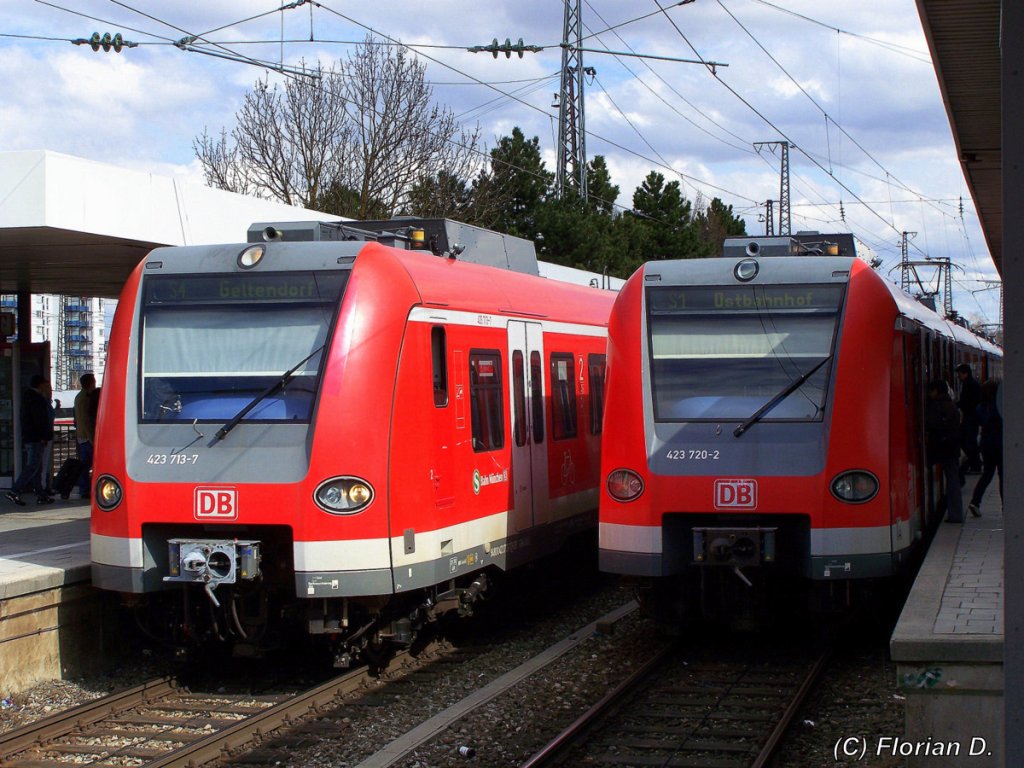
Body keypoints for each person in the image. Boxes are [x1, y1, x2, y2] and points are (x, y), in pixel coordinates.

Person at [5, 375, 56, 506]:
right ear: (40, 385)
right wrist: (44, 436)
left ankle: (41, 494)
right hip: (36, 438)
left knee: (36, 467)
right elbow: (39, 420)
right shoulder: (37, 399)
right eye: (45, 384)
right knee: (33, 466)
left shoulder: (27, 398)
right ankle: (15, 491)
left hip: (29, 437)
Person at [926, 379, 963, 523]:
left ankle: (955, 515)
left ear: (935, 391)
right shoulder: (952, 405)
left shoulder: (936, 406)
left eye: (930, 391)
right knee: (953, 478)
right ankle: (956, 513)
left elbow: (931, 425)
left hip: (941, 448)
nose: (929, 394)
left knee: (952, 480)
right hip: (952, 448)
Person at [967, 378, 1003, 517]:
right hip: (1000, 443)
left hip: (986, 444)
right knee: (1003, 476)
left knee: (987, 474)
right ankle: (1005, 505)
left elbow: (975, 425)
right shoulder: (1000, 406)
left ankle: (975, 502)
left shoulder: (981, 407)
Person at [74, 373, 98, 500]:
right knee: (91, 463)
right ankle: (86, 489)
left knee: (84, 464)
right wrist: (92, 438)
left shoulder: (79, 397)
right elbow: (86, 420)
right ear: (91, 383)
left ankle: (84, 488)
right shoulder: (86, 398)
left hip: (81, 435)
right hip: (87, 437)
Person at [956, 363, 982, 473]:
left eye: (959, 374)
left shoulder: (970, 385)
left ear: (965, 373)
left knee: (966, 440)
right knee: (969, 441)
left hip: (971, 417)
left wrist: (957, 404)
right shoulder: (971, 384)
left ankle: (975, 463)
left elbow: (967, 402)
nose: (958, 377)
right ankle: (975, 463)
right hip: (971, 417)